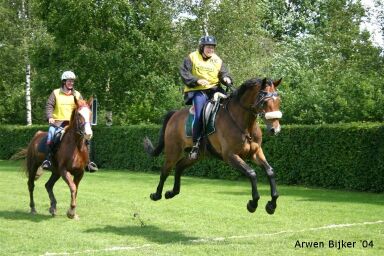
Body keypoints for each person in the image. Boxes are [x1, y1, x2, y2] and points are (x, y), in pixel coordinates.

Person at [180, 35, 234, 160]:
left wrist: (227, 78)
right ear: (202, 47)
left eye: (213, 47)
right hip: (198, 91)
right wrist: (197, 80)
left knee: (231, 108)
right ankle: (196, 145)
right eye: (208, 47)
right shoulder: (192, 57)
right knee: (200, 115)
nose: (211, 50)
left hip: (215, 90)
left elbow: (223, 73)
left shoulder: (217, 60)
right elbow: (184, 72)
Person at [41, 71, 98, 172]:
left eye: (72, 81)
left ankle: (88, 162)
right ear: (64, 82)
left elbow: (83, 107)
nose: (71, 83)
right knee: (51, 134)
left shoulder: (77, 94)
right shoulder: (55, 93)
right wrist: (50, 117)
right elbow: (49, 105)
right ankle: (48, 160)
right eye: (69, 81)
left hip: (74, 123)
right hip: (58, 122)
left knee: (87, 137)